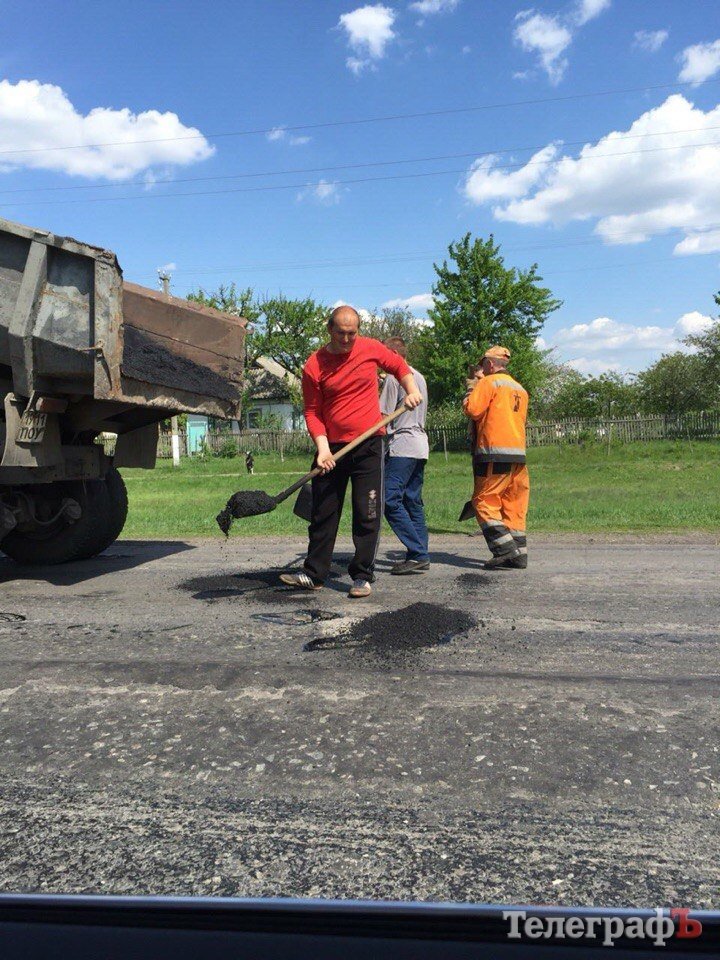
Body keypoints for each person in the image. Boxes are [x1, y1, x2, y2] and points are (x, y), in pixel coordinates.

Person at [280, 306, 423, 598]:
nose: (346, 339)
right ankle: (314, 574)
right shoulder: (314, 364)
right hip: (331, 448)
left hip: (369, 445)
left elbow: (399, 367)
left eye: (351, 333)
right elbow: (312, 411)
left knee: (367, 512)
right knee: (323, 512)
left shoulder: (370, 348)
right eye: (340, 333)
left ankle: (361, 576)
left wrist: (410, 389)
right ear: (329, 330)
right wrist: (322, 449)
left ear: (358, 330)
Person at [463, 345, 529, 569]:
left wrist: (471, 389)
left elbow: (472, 410)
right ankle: (519, 555)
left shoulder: (489, 383)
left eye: (483, 365)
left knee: (483, 501)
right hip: (518, 455)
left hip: (494, 452)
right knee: (513, 504)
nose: (481, 369)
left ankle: (506, 550)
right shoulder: (519, 388)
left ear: (490, 364)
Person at [379, 337, 430, 574]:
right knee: (411, 500)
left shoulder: (394, 377)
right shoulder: (419, 377)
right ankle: (420, 554)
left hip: (402, 445)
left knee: (389, 499)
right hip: (420, 445)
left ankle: (417, 552)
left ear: (393, 355)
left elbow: (383, 416)